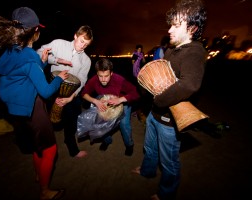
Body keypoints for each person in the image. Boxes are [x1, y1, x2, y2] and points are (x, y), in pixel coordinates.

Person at [0, 7, 68, 200]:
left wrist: (42, 63)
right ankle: (45, 192)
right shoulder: (29, 58)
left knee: (37, 146)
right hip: (31, 108)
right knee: (50, 149)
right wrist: (59, 78)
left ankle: (40, 176)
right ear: (34, 32)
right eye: (39, 29)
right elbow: (45, 90)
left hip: (15, 110)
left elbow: (24, 73)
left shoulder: (11, 51)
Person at [132, 0, 208, 199]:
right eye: (171, 24)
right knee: (149, 147)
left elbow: (190, 84)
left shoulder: (194, 52)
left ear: (192, 28)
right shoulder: (172, 49)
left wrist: (159, 101)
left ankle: (166, 194)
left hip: (169, 121)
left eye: (176, 25)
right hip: (155, 114)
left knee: (169, 161)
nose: (170, 29)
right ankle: (147, 170)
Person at [37, 25, 93, 158]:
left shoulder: (86, 60)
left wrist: (70, 98)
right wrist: (56, 60)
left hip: (71, 94)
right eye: (81, 41)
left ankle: (72, 147)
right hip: (52, 89)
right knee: (48, 121)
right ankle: (42, 151)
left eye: (86, 44)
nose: (83, 46)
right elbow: (39, 53)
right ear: (75, 36)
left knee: (73, 120)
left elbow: (81, 81)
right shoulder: (58, 44)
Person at [81, 58, 140, 156]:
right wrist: (96, 101)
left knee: (124, 125)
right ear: (97, 74)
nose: (103, 79)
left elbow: (136, 92)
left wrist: (120, 100)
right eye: (100, 76)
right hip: (106, 104)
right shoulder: (94, 80)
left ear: (111, 73)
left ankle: (129, 145)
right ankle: (107, 141)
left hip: (122, 103)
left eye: (106, 76)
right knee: (102, 123)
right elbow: (84, 93)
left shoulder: (119, 80)